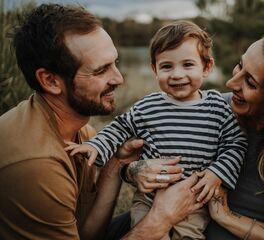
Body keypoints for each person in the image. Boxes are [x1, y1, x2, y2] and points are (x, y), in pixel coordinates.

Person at [0, 4, 203, 240]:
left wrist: (118, 162)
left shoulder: (80, 133)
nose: (119, 78)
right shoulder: (37, 164)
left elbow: (86, 232)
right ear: (50, 81)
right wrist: (161, 219)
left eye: (115, 63)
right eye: (101, 70)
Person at [123, 28, 264, 239]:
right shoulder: (215, 109)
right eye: (240, 65)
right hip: (153, 220)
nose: (231, 83)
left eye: (250, 82)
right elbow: (130, 153)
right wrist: (134, 171)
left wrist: (226, 217)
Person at [66, 20, 247, 239]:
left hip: (194, 201)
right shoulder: (149, 106)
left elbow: (236, 144)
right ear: (154, 69)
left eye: (187, 65)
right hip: (149, 198)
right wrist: (96, 144)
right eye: (167, 66)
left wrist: (217, 173)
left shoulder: (217, 107)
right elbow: (120, 127)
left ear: (207, 67)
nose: (177, 74)